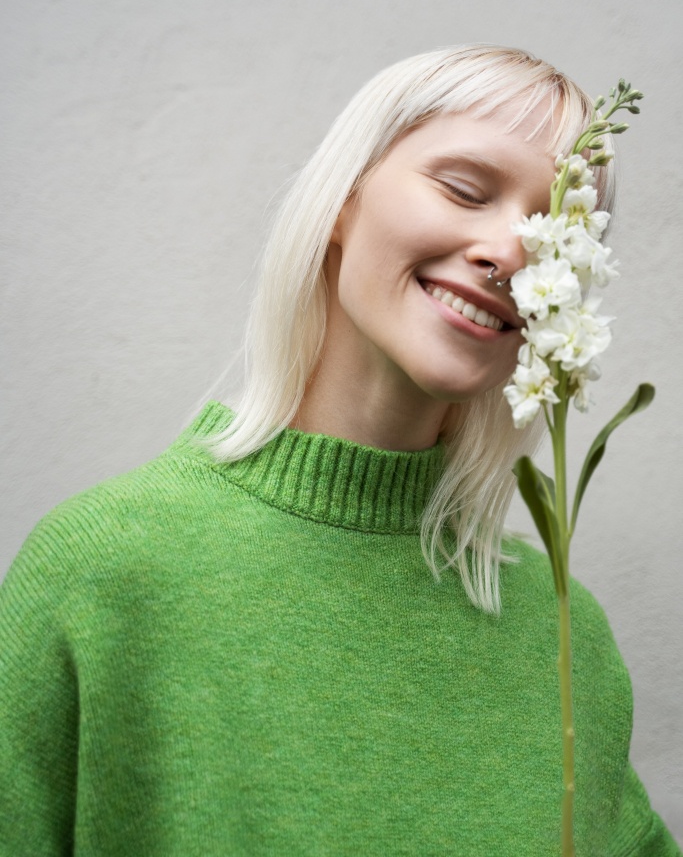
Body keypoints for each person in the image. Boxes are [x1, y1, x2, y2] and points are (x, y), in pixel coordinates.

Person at [0, 45, 679, 856]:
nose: (510, 254)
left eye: (556, 233)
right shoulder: (104, 569)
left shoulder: (563, 634)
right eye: (465, 190)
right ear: (342, 202)